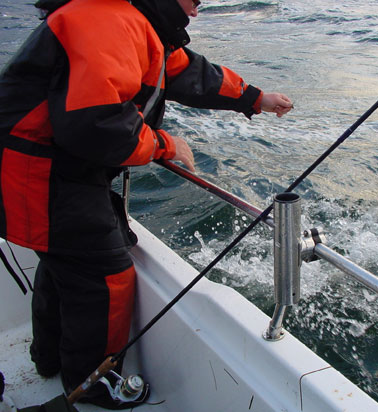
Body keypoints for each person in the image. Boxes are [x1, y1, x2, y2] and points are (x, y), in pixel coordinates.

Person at [0, 0, 293, 409]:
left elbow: (190, 73)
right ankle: (90, 384)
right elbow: (95, 124)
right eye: (195, 0)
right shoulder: (107, 20)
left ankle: (48, 359)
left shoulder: (134, 22)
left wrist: (255, 98)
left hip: (52, 170)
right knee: (104, 274)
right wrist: (164, 145)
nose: (196, 11)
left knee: (65, 260)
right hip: (39, 174)